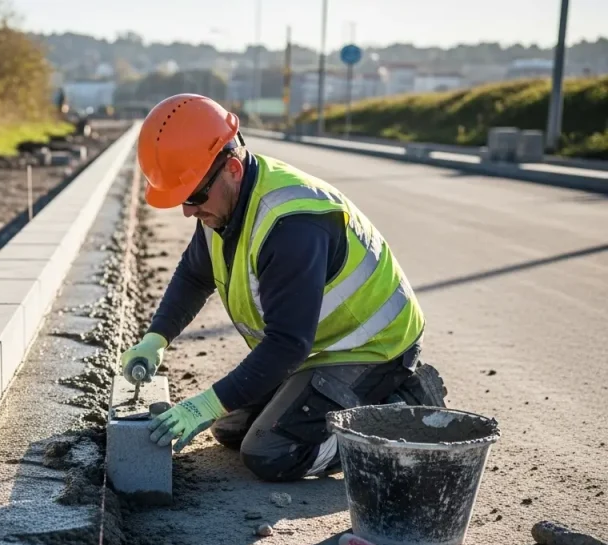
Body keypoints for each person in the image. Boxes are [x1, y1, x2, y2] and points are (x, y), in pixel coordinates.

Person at [119, 93, 447, 482]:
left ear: (233, 169)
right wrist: (156, 338)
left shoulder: (291, 225)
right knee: (230, 428)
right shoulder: (221, 205)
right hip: (315, 350)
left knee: (272, 452)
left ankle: (401, 412)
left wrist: (205, 403)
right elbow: (194, 274)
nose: (188, 210)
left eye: (193, 196)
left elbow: (288, 344)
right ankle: (332, 405)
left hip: (372, 349)